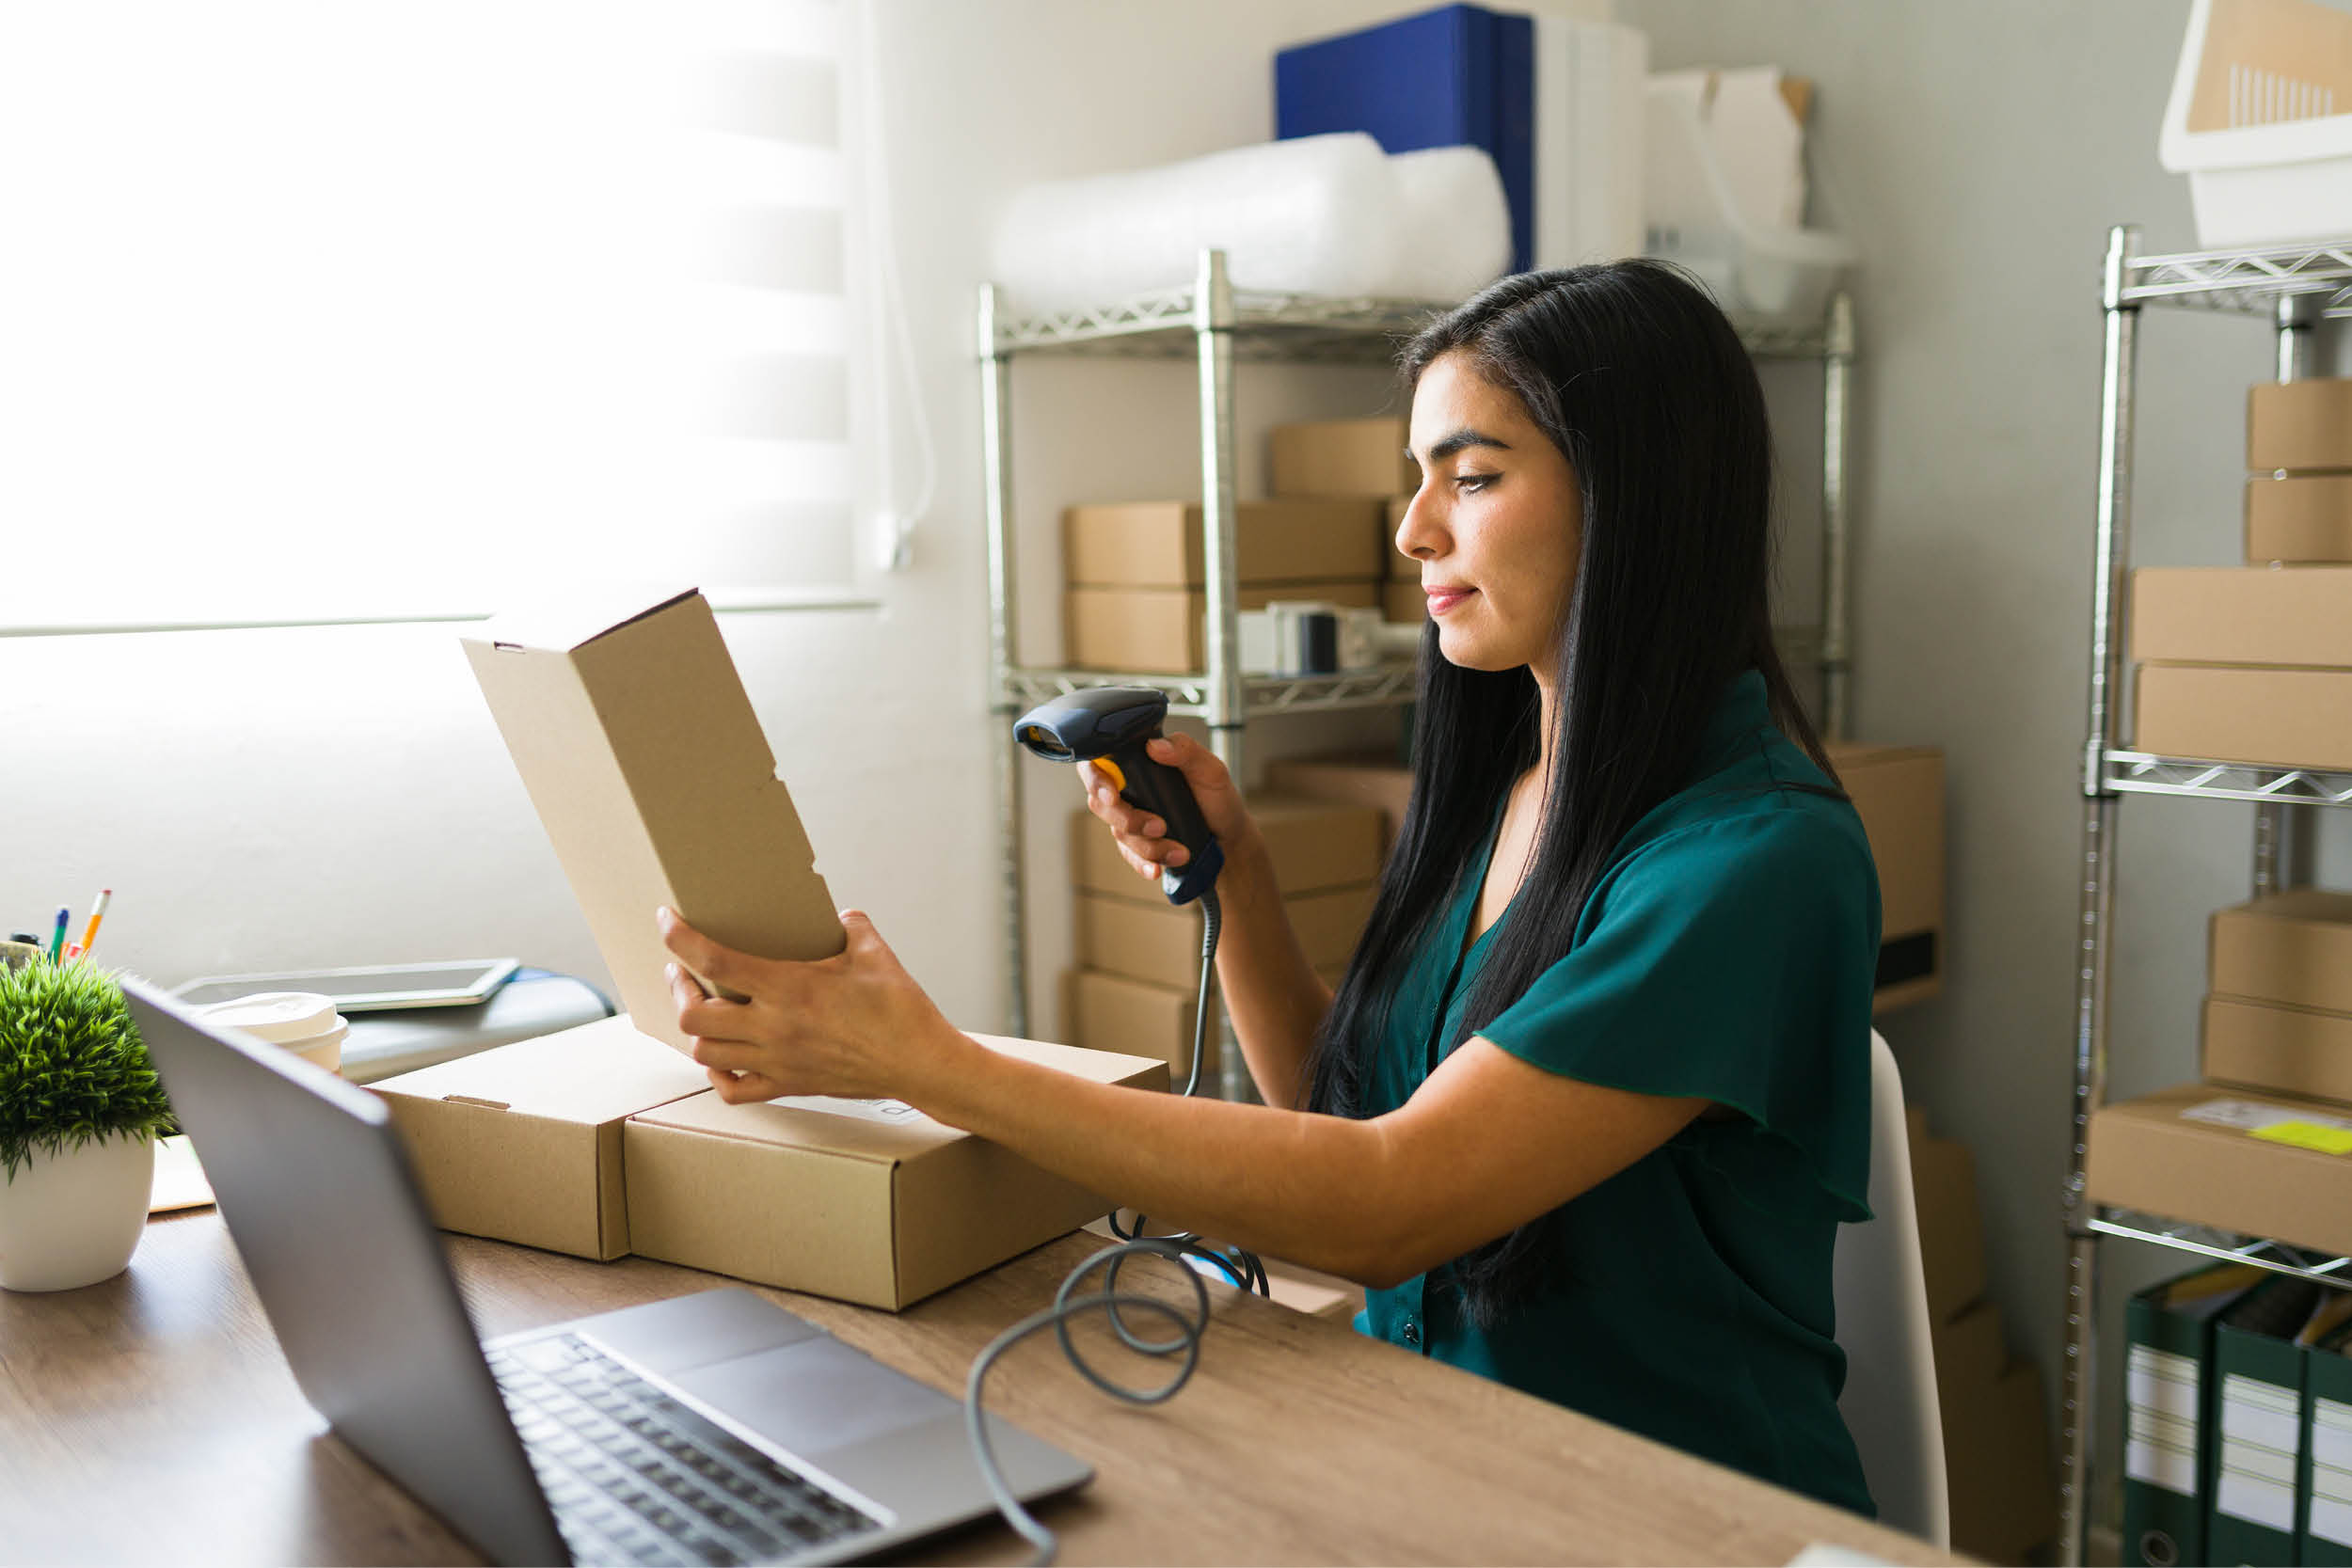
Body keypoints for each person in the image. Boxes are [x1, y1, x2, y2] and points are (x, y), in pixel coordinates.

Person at [657, 260, 1880, 1517]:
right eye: (1419, 478)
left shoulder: (1756, 866)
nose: (1413, 530)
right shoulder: (1519, 797)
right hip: (1444, 1458)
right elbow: (1340, 1131)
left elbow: (1389, 1202)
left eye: (1472, 475)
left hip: (1670, 1520)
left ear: (1640, 500)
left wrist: (925, 1064)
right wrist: (1239, 877)